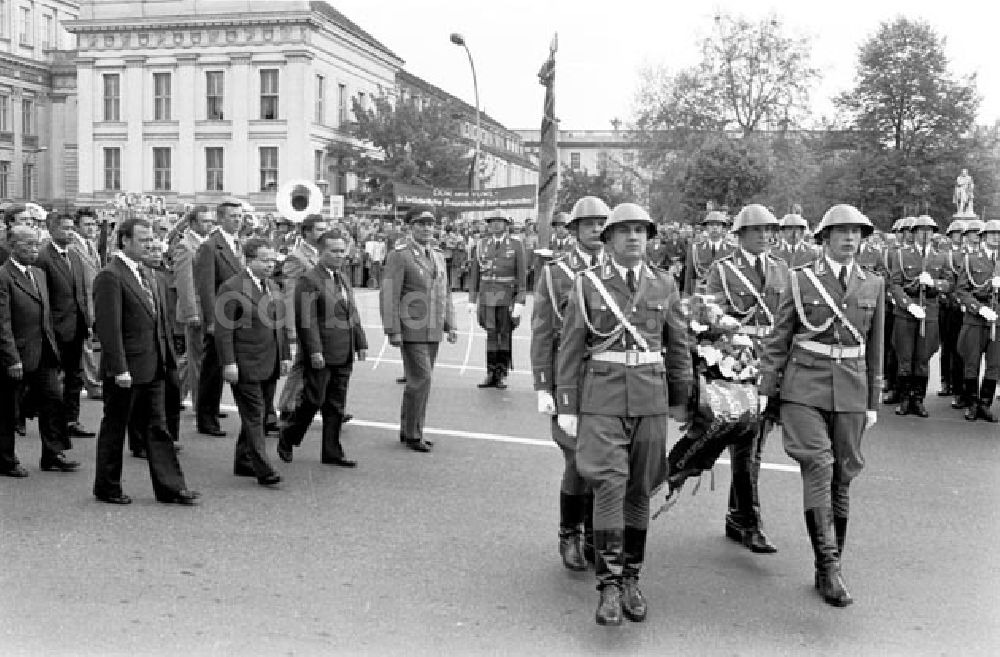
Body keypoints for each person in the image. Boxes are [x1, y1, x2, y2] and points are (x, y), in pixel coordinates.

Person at [555, 203, 692, 626]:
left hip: (649, 397)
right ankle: (609, 586)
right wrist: (565, 405)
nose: (634, 237)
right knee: (610, 485)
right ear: (609, 240)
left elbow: (678, 346)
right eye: (625, 231)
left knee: (639, 489)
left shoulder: (665, 284)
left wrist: (683, 401)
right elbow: (571, 347)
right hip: (603, 397)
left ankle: (632, 578)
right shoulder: (587, 284)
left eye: (641, 231)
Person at [759, 204, 884, 608]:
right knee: (819, 463)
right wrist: (767, 387)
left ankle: (827, 564)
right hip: (805, 384)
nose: (850, 239)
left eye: (856, 233)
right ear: (825, 238)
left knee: (843, 475)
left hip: (851, 385)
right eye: (842, 232)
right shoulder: (800, 280)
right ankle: (830, 567)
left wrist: (872, 400)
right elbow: (779, 339)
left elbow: (874, 348)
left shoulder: (873, 284)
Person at [92, 218, 199, 505]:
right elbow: (109, 328)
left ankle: (171, 488)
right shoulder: (110, 276)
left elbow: (158, 321)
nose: (150, 244)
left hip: (153, 366)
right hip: (127, 369)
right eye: (143, 239)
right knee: (116, 428)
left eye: (151, 239)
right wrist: (119, 368)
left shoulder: (147, 273)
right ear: (125, 241)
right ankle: (107, 486)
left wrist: (167, 360)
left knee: (157, 428)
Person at [531, 195, 609, 571]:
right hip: (571, 375)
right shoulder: (555, 273)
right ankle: (571, 533)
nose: (596, 229)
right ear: (574, 230)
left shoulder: (620, 269)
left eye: (601, 224)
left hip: (611, 378)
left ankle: (597, 534)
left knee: (606, 460)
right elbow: (543, 332)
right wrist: (544, 386)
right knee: (577, 460)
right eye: (589, 223)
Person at [704, 204, 789, 554]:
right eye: (757, 231)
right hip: (739, 362)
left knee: (756, 442)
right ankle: (748, 520)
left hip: (771, 360)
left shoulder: (782, 269)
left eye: (769, 230)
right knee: (747, 442)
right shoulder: (723, 271)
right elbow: (710, 317)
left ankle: (737, 515)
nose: (765, 236)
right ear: (739, 235)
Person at [278, 232, 366, 465]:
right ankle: (289, 434)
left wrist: (360, 342)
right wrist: (315, 351)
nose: (340, 255)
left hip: (343, 350)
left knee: (336, 405)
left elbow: (352, 313)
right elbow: (307, 320)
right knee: (313, 400)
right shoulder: (309, 279)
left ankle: (332, 451)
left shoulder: (342, 278)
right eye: (334, 251)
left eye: (342, 251)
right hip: (321, 352)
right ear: (321, 252)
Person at [0, 226, 78, 477]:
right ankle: (6, 460)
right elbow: (3, 322)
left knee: (53, 400)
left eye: (36, 245)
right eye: (28, 246)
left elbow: (45, 315)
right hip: (17, 353)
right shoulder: (3, 276)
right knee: (8, 410)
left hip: (43, 350)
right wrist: (11, 358)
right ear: (13, 246)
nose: (34, 250)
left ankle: (53, 453)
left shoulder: (38, 274)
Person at [380, 206, 458, 453]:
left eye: (430, 224)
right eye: (420, 224)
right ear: (409, 227)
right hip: (411, 327)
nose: (426, 229)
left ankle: (410, 429)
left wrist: (450, 324)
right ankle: (413, 434)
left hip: (433, 327)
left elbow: (445, 292)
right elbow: (389, 294)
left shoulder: (436, 255)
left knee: (420, 381)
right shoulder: (400, 255)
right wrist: (392, 330)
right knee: (421, 379)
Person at [216, 238, 291, 486]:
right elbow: (223, 330)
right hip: (245, 362)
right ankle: (263, 467)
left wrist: (285, 355)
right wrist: (228, 363)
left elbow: (279, 324)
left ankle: (243, 460)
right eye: (264, 260)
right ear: (249, 259)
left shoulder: (271, 285)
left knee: (257, 413)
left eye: (272, 260)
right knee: (255, 415)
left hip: (268, 361)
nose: (270, 265)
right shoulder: (232, 287)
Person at [35, 212, 96, 439]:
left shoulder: (76, 257)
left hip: (76, 327)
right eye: (65, 228)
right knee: (51, 380)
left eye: (72, 228)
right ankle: (49, 420)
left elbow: (80, 292)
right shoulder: (43, 257)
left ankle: (72, 420)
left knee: (75, 376)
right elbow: (42, 296)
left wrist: (87, 321)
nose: (70, 232)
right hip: (55, 328)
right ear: (51, 230)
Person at [887, 215, 952, 417]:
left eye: (929, 230)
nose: (925, 234)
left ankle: (918, 399)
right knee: (905, 357)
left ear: (933, 234)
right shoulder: (901, 255)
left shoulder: (940, 257)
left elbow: (949, 283)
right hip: (906, 312)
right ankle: (905, 399)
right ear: (913, 233)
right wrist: (907, 304)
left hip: (929, 311)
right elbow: (895, 284)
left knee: (923, 358)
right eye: (921, 230)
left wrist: (934, 283)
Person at [193, 198, 244, 437]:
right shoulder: (210, 246)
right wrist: (212, 321)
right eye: (233, 216)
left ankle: (213, 411)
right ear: (221, 218)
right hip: (221, 317)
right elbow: (205, 288)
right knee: (213, 369)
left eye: (240, 216)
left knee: (228, 366)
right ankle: (206, 418)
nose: (239, 220)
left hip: (238, 315)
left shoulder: (237, 243)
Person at [468, 212, 527, 389]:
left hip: (506, 297)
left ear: (506, 224)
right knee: (491, 335)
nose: (495, 225)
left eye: (499, 222)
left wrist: (520, 301)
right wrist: (472, 299)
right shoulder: (481, 245)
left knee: (505, 335)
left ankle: (501, 373)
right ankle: (490, 372)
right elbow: (475, 274)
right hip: (487, 297)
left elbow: (521, 276)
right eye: (492, 222)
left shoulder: (516, 245)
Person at [954, 219, 1000, 422]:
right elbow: (962, 291)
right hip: (975, 318)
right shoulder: (970, 260)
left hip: (997, 321)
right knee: (971, 362)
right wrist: (980, 309)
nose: (996, 237)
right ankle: (972, 403)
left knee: (994, 364)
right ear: (983, 237)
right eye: (992, 234)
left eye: (999, 234)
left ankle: (985, 403)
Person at [171, 206, 213, 411]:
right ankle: (201, 404)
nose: (209, 224)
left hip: (209, 308)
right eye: (205, 221)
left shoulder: (208, 243)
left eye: (210, 221)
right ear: (193, 223)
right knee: (198, 360)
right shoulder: (185, 246)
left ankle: (172, 394)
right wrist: (191, 313)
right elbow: (184, 282)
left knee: (192, 358)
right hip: (196, 309)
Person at [70, 209, 104, 401]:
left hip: (94, 300)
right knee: (85, 346)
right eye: (87, 225)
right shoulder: (74, 247)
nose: (92, 228)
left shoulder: (90, 245)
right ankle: (93, 384)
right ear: (77, 226)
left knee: (86, 345)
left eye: (94, 224)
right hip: (82, 303)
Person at [938, 218, 968, 398]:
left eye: (962, 234)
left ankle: (960, 382)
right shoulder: (945, 255)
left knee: (962, 347)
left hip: (964, 306)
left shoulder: (968, 255)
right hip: (948, 305)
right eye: (956, 234)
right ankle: (945, 381)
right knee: (947, 346)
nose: (959, 237)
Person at [684, 210, 734, 294]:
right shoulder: (695, 249)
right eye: (711, 225)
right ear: (706, 228)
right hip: (701, 296)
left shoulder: (732, 250)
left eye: (718, 225)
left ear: (723, 228)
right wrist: (687, 298)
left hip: (724, 296)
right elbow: (689, 277)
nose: (714, 228)